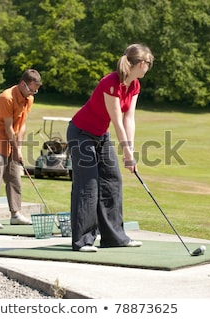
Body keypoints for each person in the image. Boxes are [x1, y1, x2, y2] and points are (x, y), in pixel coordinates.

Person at [66, 44, 154, 252]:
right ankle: (83, 241)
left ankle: (114, 237)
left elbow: (129, 118)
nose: (148, 68)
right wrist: (126, 154)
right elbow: (117, 121)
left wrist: (129, 151)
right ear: (142, 64)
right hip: (81, 133)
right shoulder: (110, 83)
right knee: (89, 184)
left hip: (100, 135)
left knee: (112, 180)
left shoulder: (134, 86)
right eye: (149, 64)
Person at [0, 69, 42, 228]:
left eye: (36, 90)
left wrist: (19, 149)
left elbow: (22, 125)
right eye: (31, 89)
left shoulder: (28, 98)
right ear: (23, 84)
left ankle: (15, 213)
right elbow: (8, 128)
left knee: (15, 176)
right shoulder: (6, 98)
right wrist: (15, 149)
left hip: (13, 141)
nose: (33, 93)